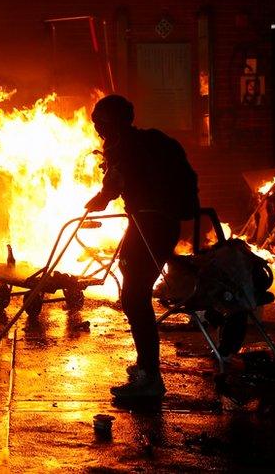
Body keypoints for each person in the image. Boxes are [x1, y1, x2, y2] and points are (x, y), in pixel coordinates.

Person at [85, 95, 199, 399]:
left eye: (100, 121)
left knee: (135, 296)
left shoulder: (123, 145)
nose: (97, 128)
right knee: (134, 290)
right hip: (163, 223)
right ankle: (145, 367)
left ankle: (150, 377)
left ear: (112, 122)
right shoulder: (153, 140)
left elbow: (113, 186)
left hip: (150, 224)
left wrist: (98, 200)